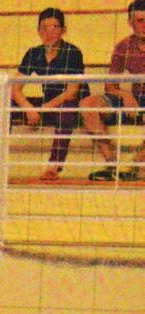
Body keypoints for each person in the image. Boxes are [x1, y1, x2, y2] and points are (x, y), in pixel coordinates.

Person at [0, 9, 84, 181]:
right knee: (6, 104)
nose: (49, 32)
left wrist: (44, 108)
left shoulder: (72, 52)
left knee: (67, 110)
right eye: (44, 28)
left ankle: (53, 167)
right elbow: (14, 88)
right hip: (46, 102)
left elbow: (71, 91)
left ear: (63, 30)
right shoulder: (33, 53)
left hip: (68, 102)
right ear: (38, 31)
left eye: (55, 27)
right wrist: (29, 108)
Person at [81, 0, 145, 180]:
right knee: (88, 105)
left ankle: (134, 168)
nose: (144, 25)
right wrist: (125, 96)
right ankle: (112, 165)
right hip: (135, 98)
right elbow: (110, 85)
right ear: (130, 22)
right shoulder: (124, 46)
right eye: (140, 21)